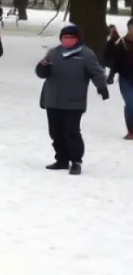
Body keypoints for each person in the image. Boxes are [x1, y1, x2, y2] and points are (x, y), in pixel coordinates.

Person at [36, 24, 109, 174]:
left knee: (72, 131)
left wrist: (101, 87)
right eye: (65, 37)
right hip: (53, 99)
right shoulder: (54, 53)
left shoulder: (86, 54)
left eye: (71, 37)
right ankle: (61, 159)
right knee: (55, 132)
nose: (67, 40)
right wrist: (43, 67)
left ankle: (76, 160)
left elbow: (96, 72)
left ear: (78, 39)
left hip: (73, 101)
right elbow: (41, 72)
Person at [104, 20, 133, 139]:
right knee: (131, 103)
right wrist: (111, 41)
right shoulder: (120, 43)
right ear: (128, 28)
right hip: (125, 78)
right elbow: (108, 57)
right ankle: (131, 131)